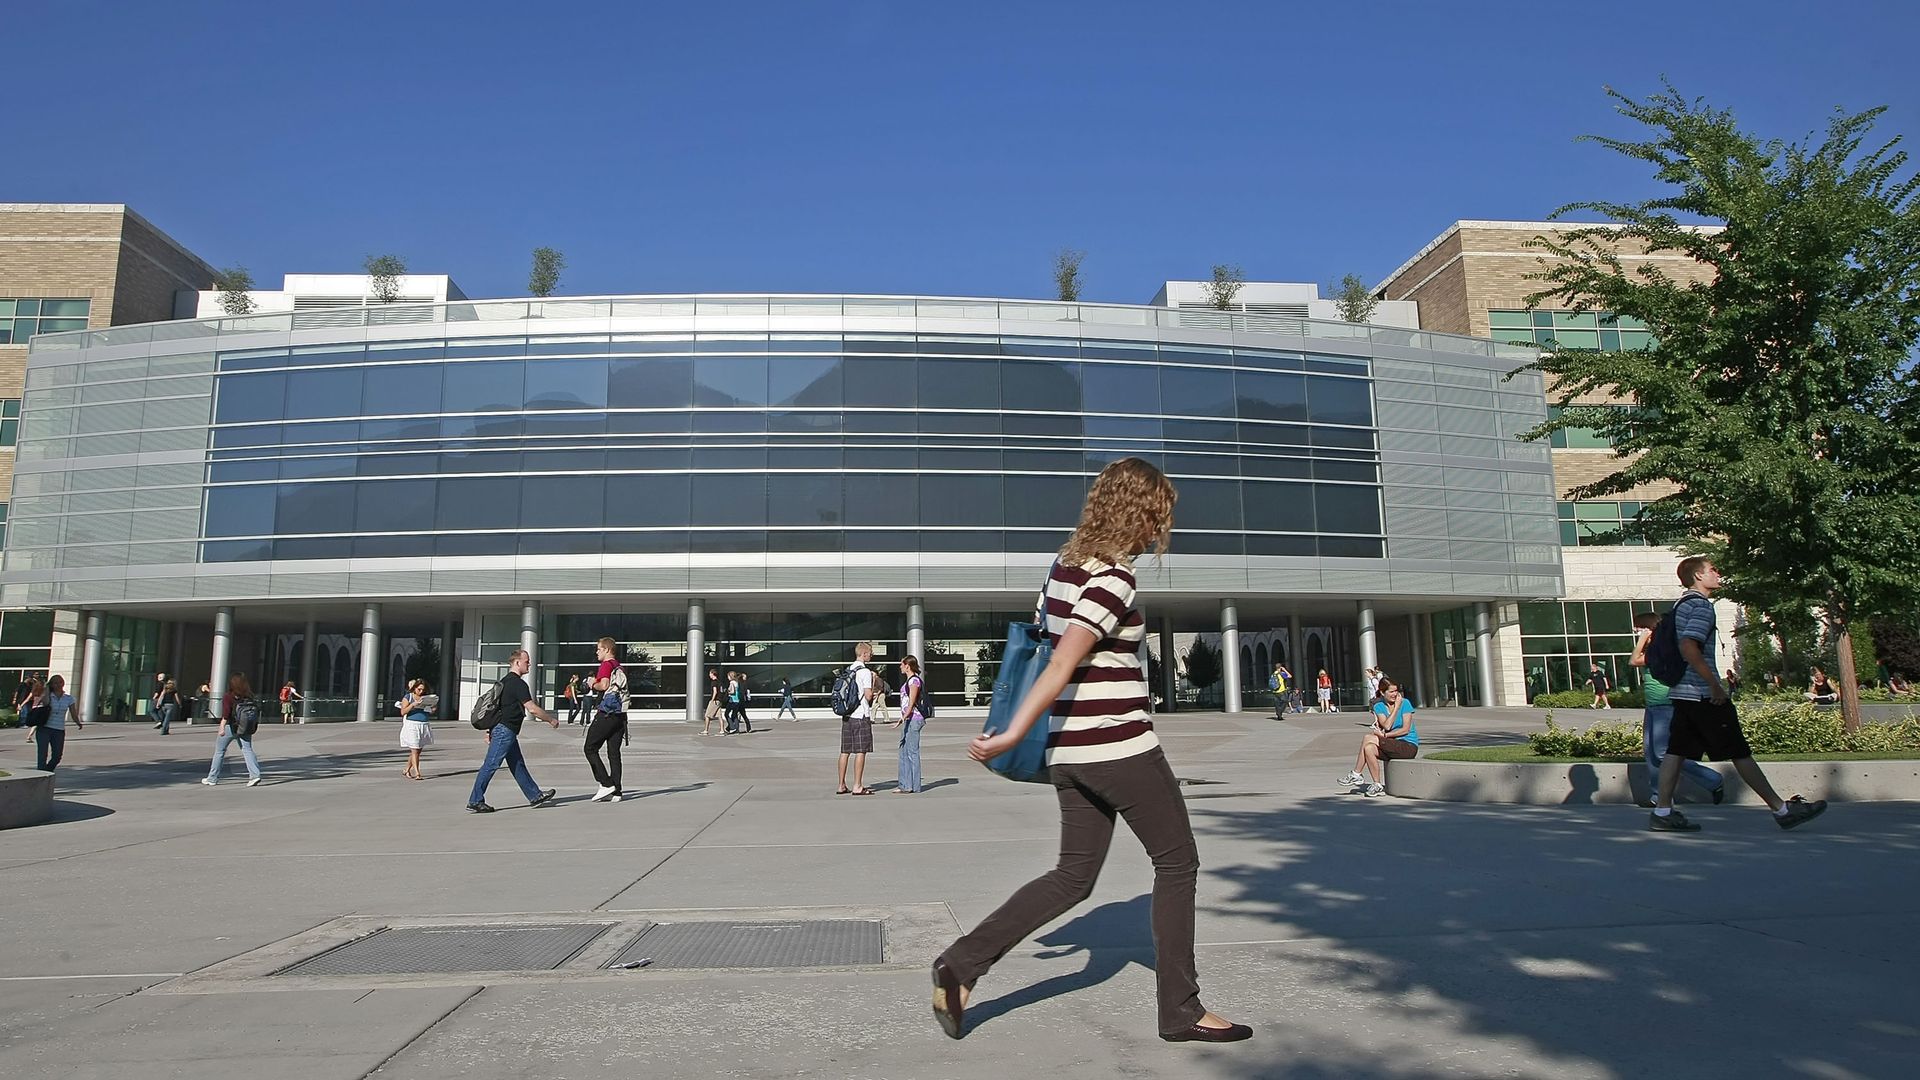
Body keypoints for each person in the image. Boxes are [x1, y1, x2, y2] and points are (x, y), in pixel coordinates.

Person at [934, 456, 1248, 1044]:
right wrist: (1006, 733)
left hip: (1069, 753)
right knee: (1178, 863)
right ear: (1143, 513)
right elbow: (1060, 659)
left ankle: (961, 965)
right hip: (1119, 747)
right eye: (1161, 514)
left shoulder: (1062, 567)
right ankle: (1181, 1010)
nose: (1163, 527)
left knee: (1074, 875)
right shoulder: (1113, 578)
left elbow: (1043, 639)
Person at [1649, 557, 1827, 833]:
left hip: (1683, 692)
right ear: (1698, 575)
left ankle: (1662, 811)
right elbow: (1688, 646)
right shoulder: (1700, 607)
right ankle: (1782, 810)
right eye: (1713, 570)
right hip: (1702, 693)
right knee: (1738, 750)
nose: (1718, 575)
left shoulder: (1680, 605)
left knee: (1676, 751)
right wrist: (1714, 684)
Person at [1630, 612, 1724, 806]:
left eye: (1639, 627)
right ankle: (1659, 796)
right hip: (1653, 705)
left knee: (1664, 753)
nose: (1635, 631)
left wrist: (1642, 640)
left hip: (1666, 704)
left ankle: (1712, 780)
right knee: (1651, 754)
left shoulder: (1663, 649)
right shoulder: (1655, 648)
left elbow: (1634, 661)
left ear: (1650, 628)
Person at [466, 649, 559, 814]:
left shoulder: (504, 682)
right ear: (517, 662)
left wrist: (490, 731)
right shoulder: (518, 684)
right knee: (491, 764)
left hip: (504, 730)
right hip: (505, 731)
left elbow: (498, 709)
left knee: (517, 764)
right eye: (526, 661)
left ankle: (535, 795)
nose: (529, 664)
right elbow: (532, 708)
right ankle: (475, 800)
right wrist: (550, 720)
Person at [1338, 678, 1418, 797]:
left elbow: (1405, 730)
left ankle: (1356, 774)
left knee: (1367, 738)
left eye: (1396, 691)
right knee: (1369, 748)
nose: (1395, 694)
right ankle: (1377, 784)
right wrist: (1394, 711)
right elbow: (1387, 725)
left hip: (1408, 746)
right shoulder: (1379, 706)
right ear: (1382, 692)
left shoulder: (1405, 703)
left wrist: (1385, 735)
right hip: (1391, 744)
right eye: (1391, 692)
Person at [584, 637, 628, 803]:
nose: (597, 652)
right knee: (614, 753)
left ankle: (605, 783)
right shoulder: (619, 666)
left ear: (607, 650)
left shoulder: (606, 665)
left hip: (606, 714)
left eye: (599, 649)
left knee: (590, 748)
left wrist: (590, 684)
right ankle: (617, 791)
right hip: (620, 715)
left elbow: (603, 685)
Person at [202, 673, 263, 787]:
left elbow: (226, 714)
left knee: (220, 751)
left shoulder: (228, 696)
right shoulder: (249, 696)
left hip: (231, 726)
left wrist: (221, 727)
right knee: (247, 749)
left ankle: (212, 778)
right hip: (245, 727)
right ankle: (255, 775)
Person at [837, 643, 878, 795]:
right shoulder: (865, 672)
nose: (871, 655)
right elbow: (868, 696)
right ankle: (857, 785)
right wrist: (873, 681)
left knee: (845, 751)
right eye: (870, 653)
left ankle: (841, 785)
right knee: (861, 751)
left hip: (847, 715)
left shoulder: (848, 669)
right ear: (864, 653)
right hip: (860, 715)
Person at [28, 675, 79, 772]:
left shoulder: (68, 698)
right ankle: (41, 774)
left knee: (57, 756)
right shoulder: (48, 695)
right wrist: (47, 689)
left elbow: (73, 712)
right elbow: (46, 703)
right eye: (55, 683)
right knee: (42, 754)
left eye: (60, 682)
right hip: (44, 728)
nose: (58, 685)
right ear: (51, 684)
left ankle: (47, 771)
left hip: (59, 730)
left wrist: (78, 722)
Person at [894, 656, 927, 794]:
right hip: (908, 719)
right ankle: (905, 784)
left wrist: (903, 718)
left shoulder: (914, 681)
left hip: (914, 719)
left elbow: (912, 702)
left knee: (912, 752)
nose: (900, 666)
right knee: (903, 751)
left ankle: (913, 785)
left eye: (902, 664)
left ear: (908, 665)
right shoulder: (909, 680)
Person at [398, 678, 437, 780]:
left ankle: (407, 769)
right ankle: (417, 772)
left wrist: (432, 708)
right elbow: (403, 712)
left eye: (423, 690)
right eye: (419, 689)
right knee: (415, 749)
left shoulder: (425, 698)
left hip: (423, 724)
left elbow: (431, 711)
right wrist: (413, 705)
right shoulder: (408, 697)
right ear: (414, 688)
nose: (421, 691)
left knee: (418, 750)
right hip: (412, 725)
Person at [702, 668, 724, 736]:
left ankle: (706, 730)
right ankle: (722, 731)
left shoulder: (714, 682)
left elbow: (715, 691)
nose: (709, 675)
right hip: (720, 701)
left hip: (715, 701)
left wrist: (712, 699)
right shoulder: (719, 682)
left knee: (707, 715)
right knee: (719, 716)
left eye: (710, 673)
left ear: (712, 674)